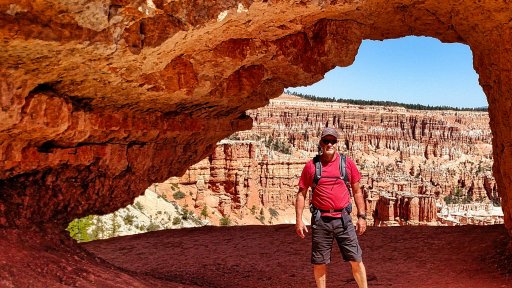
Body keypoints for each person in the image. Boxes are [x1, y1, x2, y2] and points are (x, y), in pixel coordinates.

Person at [295, 127, 368, 288]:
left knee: (356, 259)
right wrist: (299, 220)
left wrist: (362, 217)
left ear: (337, 143)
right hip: (321, 221)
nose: (329, 144)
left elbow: (357, 192)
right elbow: (301, 194)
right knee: (319, 262)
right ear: (321, 143)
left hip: (344, 220)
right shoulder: (311, 166)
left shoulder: (347, 164)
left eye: (333, 141)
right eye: (326, 141)